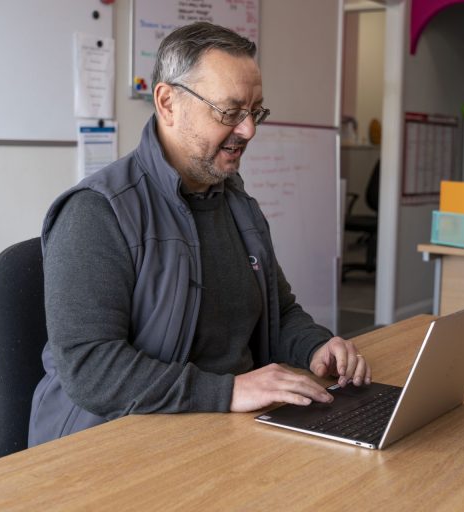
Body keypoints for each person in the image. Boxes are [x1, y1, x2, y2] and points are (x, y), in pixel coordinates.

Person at [28, 22, 371, 446]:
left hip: (220, 429)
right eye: (229, 112)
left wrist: (316, 348)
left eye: (255, 111)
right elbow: (90, 367)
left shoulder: (236, 203)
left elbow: (277, 314)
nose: (249, 131)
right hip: (110, 444)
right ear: (168, 103)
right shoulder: (96, 212)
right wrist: (228, 391)